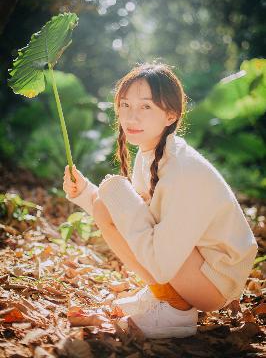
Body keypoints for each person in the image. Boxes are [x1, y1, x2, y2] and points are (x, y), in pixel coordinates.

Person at [63, 62, 258, 339]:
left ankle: (177, 309)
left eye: (145, 107)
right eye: (126, 105)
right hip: (194, 263)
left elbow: (161, 261)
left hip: (213, 281)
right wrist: (85, 192)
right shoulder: (152, 154)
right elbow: (131, 215)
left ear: (170, 115)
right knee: (106, 201)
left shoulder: (181, 169)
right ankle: (164, 296)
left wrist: (113, 193)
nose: (131, 117)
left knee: (113, 195)